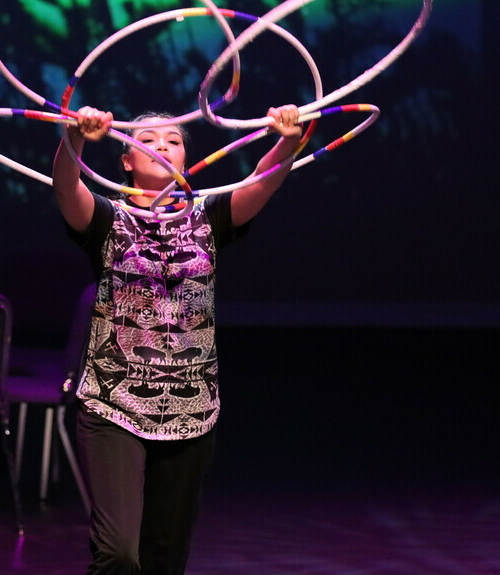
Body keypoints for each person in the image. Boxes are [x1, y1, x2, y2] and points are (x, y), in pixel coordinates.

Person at [52, 104, 302, 575]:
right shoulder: (108, 220)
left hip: (192, 409)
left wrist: (288, 139)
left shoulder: (210, 217)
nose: (163, 146)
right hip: (114, 404)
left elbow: (263, 181)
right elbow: (67, 187)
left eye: (173, 140)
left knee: (165, 559)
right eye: (148, 139)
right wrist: (75, 138)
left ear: (186, 157)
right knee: (119, 553)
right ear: (125, 159)